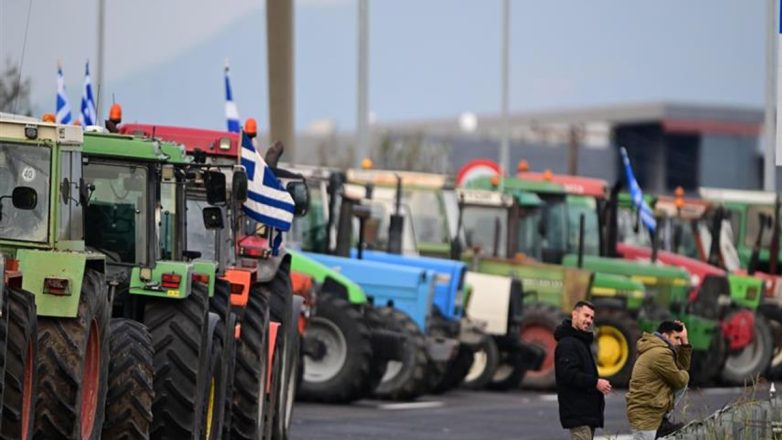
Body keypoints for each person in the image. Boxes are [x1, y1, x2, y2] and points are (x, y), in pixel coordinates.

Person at [626, 320, 691, 440]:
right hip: (646, 415)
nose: (678, 343)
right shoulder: (660, 353)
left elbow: (681, 368)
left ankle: (663, 419)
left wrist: (685, 341)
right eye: (676, 338)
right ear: (665, 335)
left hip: (649, 412)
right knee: (682, 380)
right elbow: (680, 380)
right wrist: (686, 375)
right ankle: (663, 419)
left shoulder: (657, 348)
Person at [555, 300, 611, 440]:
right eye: (585, 316)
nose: (589, 321)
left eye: (591, 318)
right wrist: (595, 383)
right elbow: (568, 374)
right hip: (578, 414)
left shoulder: (581, 341)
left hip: (586, 414)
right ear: (574, 314)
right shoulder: (568, 343)